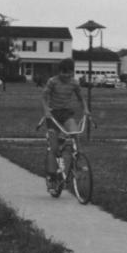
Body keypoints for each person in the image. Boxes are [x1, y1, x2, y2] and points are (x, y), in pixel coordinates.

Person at [41, 58, 90, 188]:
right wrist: (46, 110)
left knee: (75, 132)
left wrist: (85, 109)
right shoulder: (52, 81)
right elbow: (44, 97)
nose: (66, 75)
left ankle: (78, 159)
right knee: (54, 148)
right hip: (53, 115)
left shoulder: (74, 83)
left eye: (69, 72)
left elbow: (81, 98)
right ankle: (52, 177)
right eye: (64, 72)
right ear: (59, 71)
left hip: (67, 113)